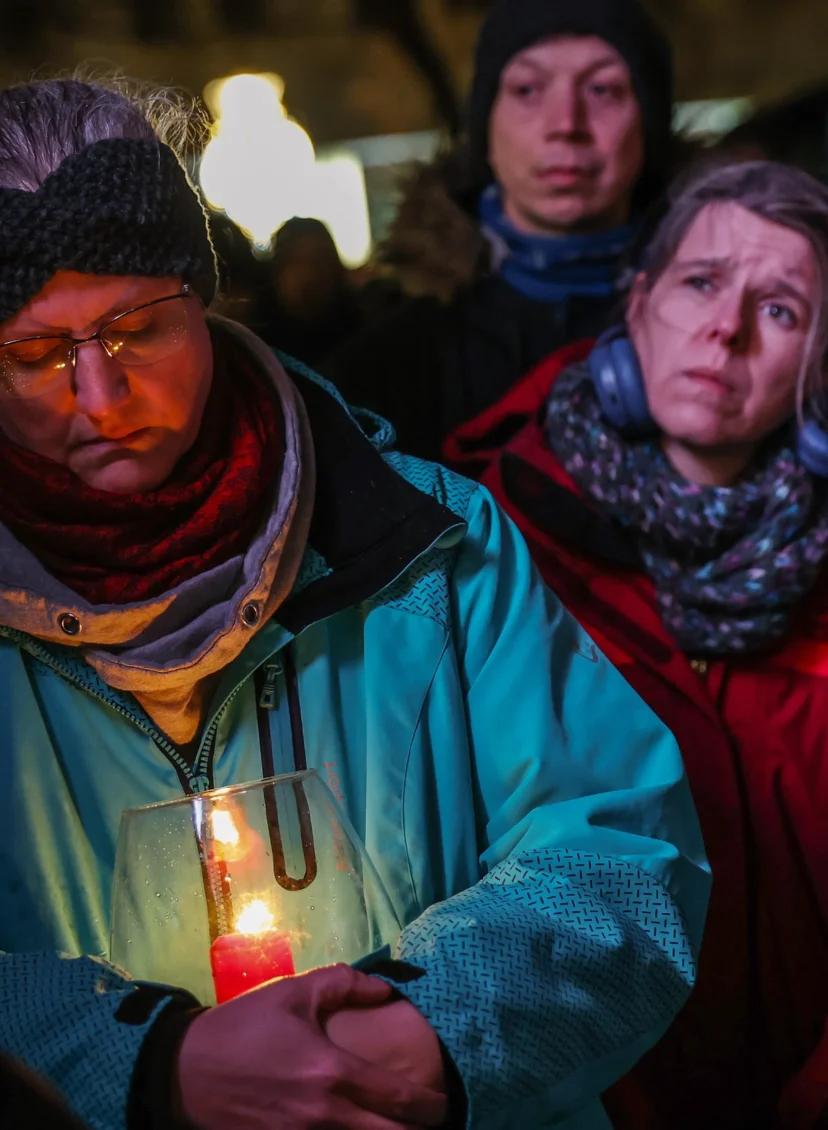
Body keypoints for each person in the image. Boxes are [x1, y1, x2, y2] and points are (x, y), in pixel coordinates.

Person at [0, 78, 709, 1130]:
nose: (100, 397)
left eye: (134, 328)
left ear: (204, 295)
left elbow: (618, 850)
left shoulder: (434, 547)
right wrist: (146, 1069)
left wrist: (419, 1036)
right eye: (37, 354)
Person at [453, 158, 828, 1129]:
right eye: (703, 282)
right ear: (639, 301)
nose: (727, 329)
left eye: (781, 309)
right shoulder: (486, 543)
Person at [321, 0, 674, 463]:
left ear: (648, 125)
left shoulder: (723, 334)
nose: (566, 125)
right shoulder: (379, 375)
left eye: (603, 89)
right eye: (528, 89)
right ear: (486, 129)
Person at [250, 218, 364, 366]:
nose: (308, 273)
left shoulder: (362, 337)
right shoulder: (255, 348)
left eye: (318, 260)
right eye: (295, 262)